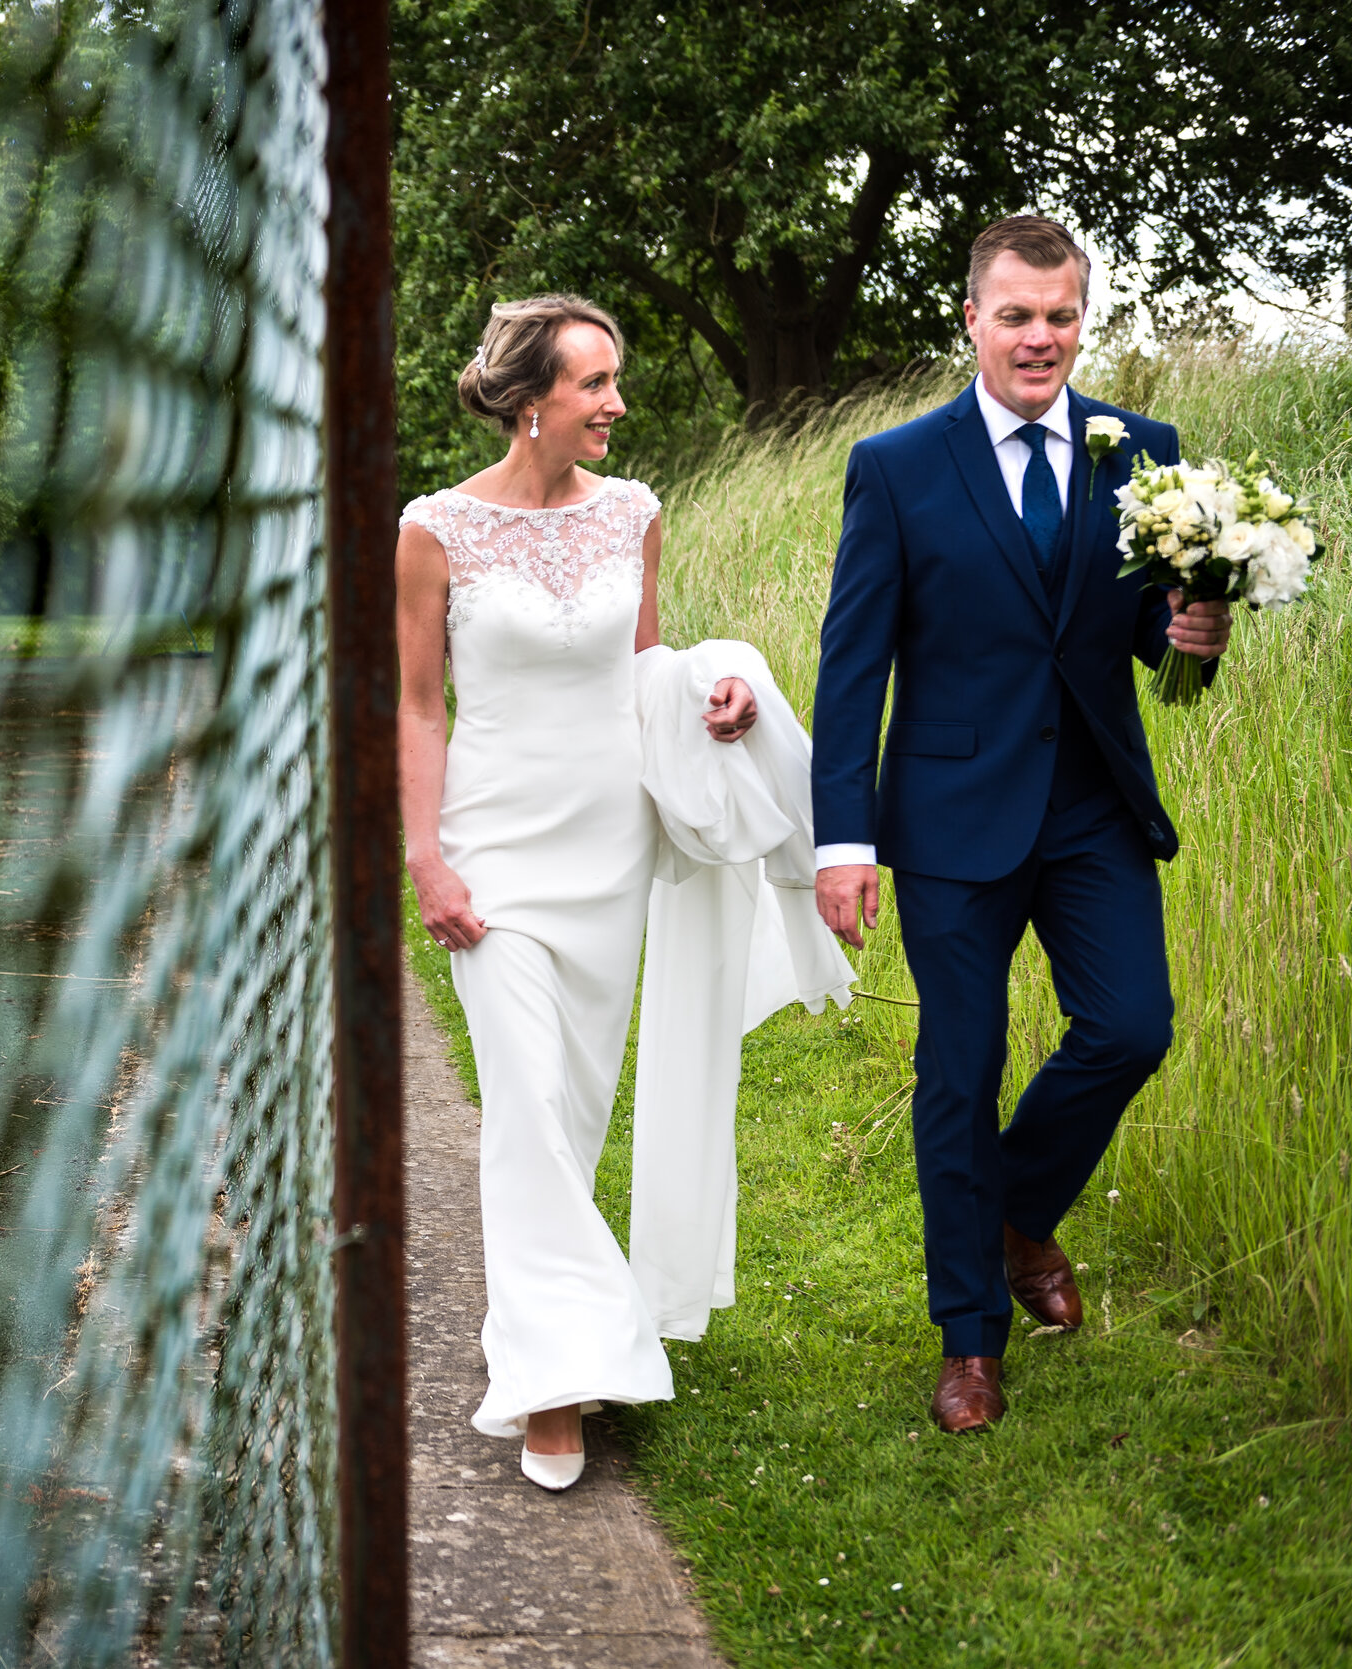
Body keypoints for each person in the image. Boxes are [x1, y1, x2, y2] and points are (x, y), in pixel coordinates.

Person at [809, 216, 1233, 1434]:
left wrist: (1192, 640)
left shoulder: (1139, 450)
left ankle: (1012, 1218)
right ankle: (967, 1341)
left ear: (1079, 318)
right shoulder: (894, 465)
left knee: (1129, 1027)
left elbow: (1156, 646)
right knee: (960, 1067)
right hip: (947, 814)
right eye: (1016, 314)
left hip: (1093, 805)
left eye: (1059, 314)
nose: (1039, 336)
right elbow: (854, 666)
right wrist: (844, 839)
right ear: (972, 321)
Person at [395, 295, 762, 1492]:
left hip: (608, 849)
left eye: (614, 379)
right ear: (527, 398)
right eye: (594, 383)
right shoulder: (433, 529)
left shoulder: (635, 516)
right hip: (493, 850)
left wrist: (718, 695)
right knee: (524, 1105)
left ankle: (561, 1324)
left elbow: (647, 666)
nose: (616, 404)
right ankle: (557, 1377)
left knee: (574, 1107)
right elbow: (416, 705)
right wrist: (426, 857)